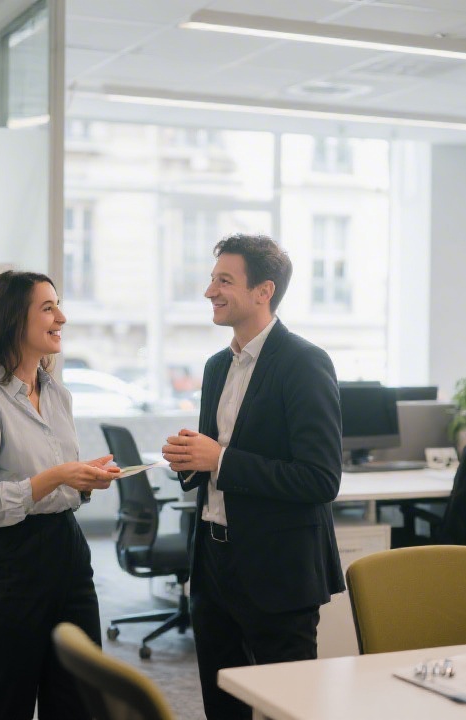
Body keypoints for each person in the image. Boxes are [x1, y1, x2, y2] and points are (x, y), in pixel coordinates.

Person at [162, 234, 344, 719]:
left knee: (291, 708)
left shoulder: (304, 363)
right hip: (214, 567)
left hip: (277, 572)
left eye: (224, 280)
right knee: (222, 707)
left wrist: (219, 459)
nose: (209, 291)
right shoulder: (216, 366)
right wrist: (188, 460)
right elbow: (210, 460)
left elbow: (320, 478)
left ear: (264, 291)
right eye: (211, 278)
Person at [0, 270, 120, 720]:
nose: (61, 316)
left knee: (82, 701)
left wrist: (83, 481)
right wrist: (56, 476)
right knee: (9, 706)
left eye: (58, 305)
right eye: (48, 308)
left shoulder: (57, 393)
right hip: (11, 567)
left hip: (68, 555)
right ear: (11, 319)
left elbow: (62, 489)